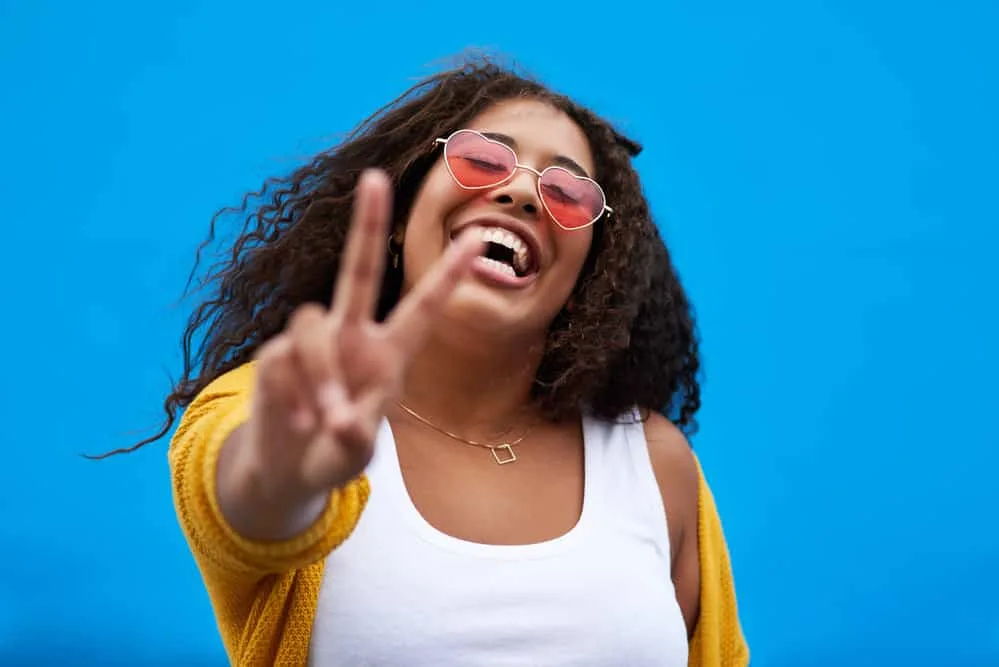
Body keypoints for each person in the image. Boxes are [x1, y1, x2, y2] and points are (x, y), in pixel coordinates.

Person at [138, 57, 748, 665]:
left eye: (565, 193)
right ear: (402, 216)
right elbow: (244, 499)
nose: (520, 193)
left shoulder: (656, 465)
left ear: (591, 274)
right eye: (483, 159)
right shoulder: (282, 407)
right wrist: (283, 471)